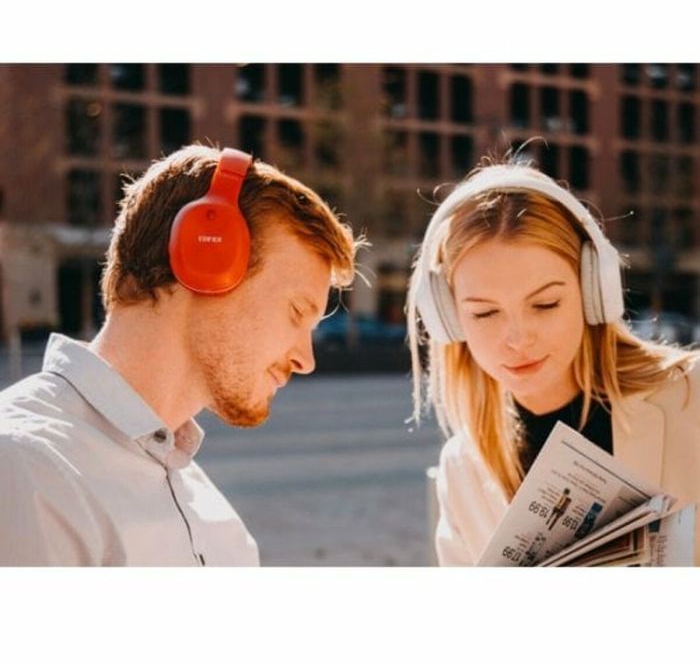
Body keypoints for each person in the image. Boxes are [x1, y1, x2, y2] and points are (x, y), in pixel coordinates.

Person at [0, 144, 361, 566]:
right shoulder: (26, 470)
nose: (306, 360)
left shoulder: (213, 516)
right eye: (297, 313)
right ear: (205, 261)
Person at [407, 157, 700, 566]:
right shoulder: (462, 470)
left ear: (593, 292)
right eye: (485, 313)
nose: (517, 339)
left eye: (545, 304)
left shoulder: (692, 396)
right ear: (449, 319)